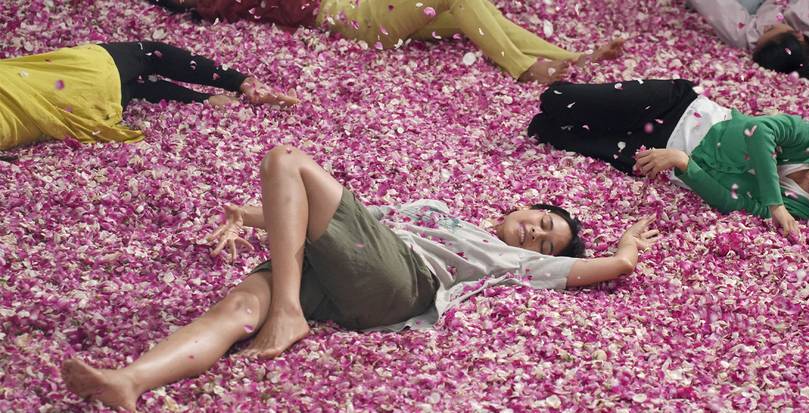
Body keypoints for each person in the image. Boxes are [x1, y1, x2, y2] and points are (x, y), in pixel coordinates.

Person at [62, 145, 659, 411]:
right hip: (348, 265)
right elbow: (340, 218)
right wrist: (250, 215)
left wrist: (628, 245)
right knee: (238, 310)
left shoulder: (513, 261)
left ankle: (290, 311)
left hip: (400, 279)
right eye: (542, 221)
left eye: (547, 242)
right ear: (522, 205)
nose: (535, 235)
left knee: (286, 158)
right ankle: (130, 381)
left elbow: (614, 266)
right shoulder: (438, 212)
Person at [528, 79, 809, 239]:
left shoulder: (799, 211)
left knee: (549, 131)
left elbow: (732, 202)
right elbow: (758, 132)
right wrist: (775, 204)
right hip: (677, 108)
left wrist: (684, 163)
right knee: (556, 99)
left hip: (662, 159)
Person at [150, 0, 625, 84]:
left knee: (469, 10)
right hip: (353, 18)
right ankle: (524, 68)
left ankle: (569, 58)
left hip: (377, 10)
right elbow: (212, 6)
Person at [0, 41, 298, 151]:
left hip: (84, 112)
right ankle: (242, 83)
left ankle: (207, 100)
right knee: (149, 54)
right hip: (81, 75)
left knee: (136, 87)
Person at [687, 0, 809, 81]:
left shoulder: (753, 39)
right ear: (798, 35)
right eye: (771, 29)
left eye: (768, 31)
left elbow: (716, 7)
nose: (766, 27)